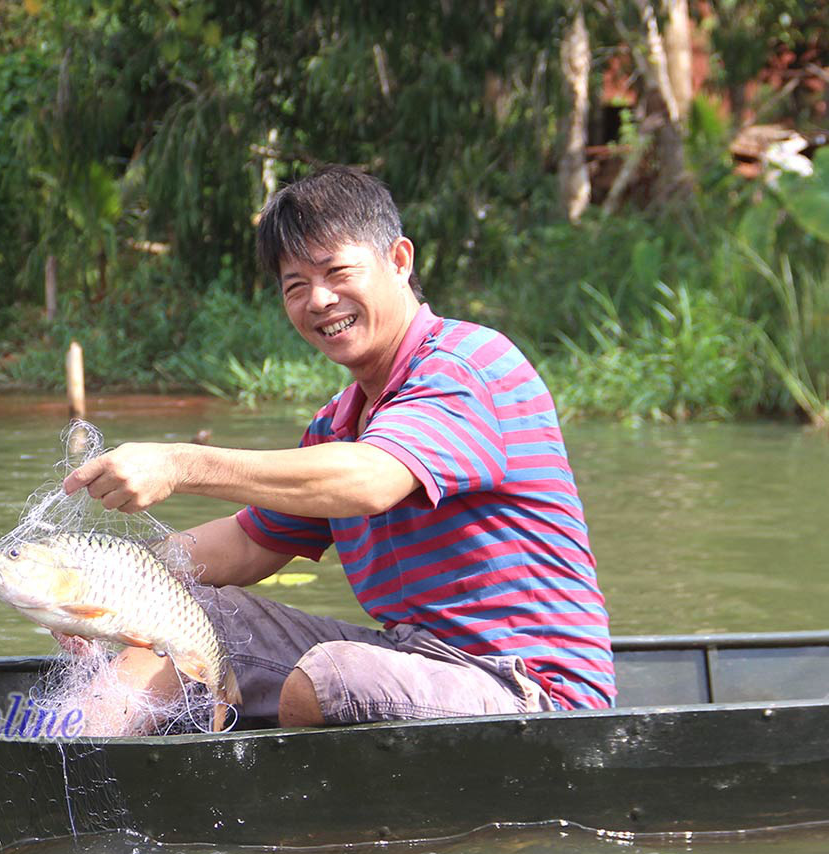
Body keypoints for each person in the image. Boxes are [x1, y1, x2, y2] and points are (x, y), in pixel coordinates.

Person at [62, 165, 613, 730]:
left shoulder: (468, 366)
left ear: (400, 261)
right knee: (196, 616)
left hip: (530, 690)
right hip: (413, 659)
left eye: (336, 272)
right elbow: (250, 544)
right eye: (295, 286)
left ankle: (298, 818)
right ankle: (74, 763)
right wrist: (110, 588)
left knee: (332, 677)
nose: (319, 300)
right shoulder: (336, 424)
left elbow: (370, 480)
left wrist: (179, 463)